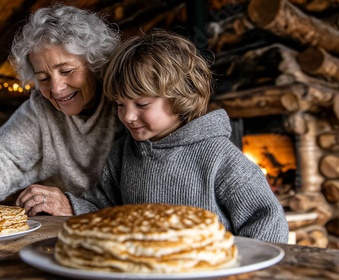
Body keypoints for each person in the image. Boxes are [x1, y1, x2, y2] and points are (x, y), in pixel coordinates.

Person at [60, 30, 289, 243]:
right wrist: (68, 204)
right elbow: (104, 207)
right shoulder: (123, 152)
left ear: (180, 96)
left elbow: (268, 221)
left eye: (142, 104)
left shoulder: (219, 157)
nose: (128, 116)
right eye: (120, 104)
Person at [0, 5, 121, 216]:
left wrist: (73, 206)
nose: (56, 89)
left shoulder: (127, 104)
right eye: (43, 78)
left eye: (66, 71)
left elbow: (144, 195)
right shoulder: (42, 108)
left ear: (95, 62)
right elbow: (2, 158)